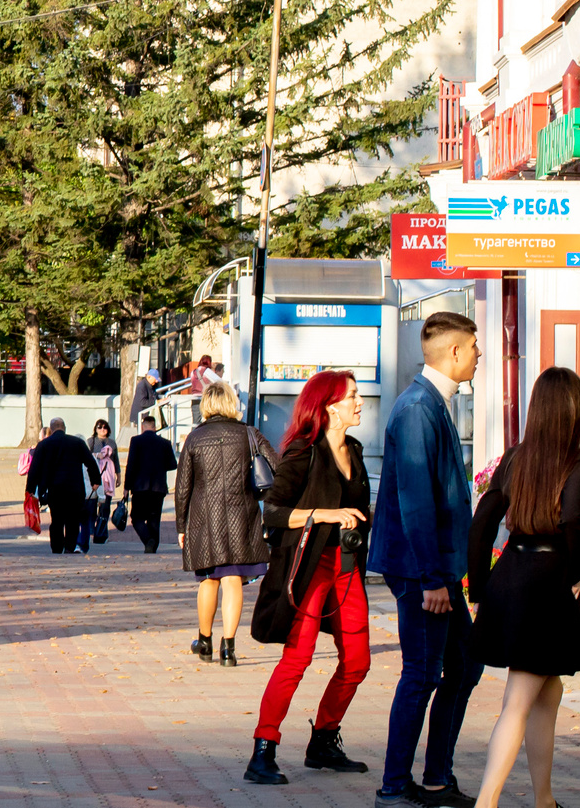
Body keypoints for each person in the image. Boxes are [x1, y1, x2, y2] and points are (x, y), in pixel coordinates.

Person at [369, 311, 485, 808]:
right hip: (424, 571)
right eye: (475, 347)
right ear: (454, 352)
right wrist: (434, 579)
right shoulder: (419, 407)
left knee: (463, 663)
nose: (480, 355)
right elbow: (416, 499)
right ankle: (395, 786)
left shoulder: (434, 402)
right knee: (422, 672)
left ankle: (436, 777)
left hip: (437, 569)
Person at [466, 368, 580, 808]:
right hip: (547, 581)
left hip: (511, 575)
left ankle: (545, 800)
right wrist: (576, 573)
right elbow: (571, 524)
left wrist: (481, 588)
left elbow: (482, 523)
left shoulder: (516, 456)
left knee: (548, 690)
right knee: (518, 700)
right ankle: (488, 802)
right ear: (574, 411)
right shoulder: (578, 461)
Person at [244, 370, 375, 785]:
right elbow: (273, 511)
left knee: (358, 661)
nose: (360, 402)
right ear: (329, 405)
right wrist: (323, 514)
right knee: (296, 659)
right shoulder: (304, 452)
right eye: (353, 396)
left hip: (348, 568)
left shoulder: (353, 449)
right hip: (307, 569)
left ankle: (323, 739)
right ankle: (263, 751)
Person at [176, 379, 271, 666]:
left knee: (209, 579)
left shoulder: (194, 438)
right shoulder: (249, 434)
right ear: (231, 403)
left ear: (206, 405)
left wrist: (181, 526)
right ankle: (228, 648)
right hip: (243, 516)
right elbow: (276, 466)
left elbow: (183, 488)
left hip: (205, 521)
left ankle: (204, 641)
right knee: (233, 580)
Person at [24, 417, 95, 554]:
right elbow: (90, 462)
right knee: (72, 520)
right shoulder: (77, 443)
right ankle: (70, 546)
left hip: (54, 489)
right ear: (64, 427)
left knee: (57, 519)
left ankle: (57, 547)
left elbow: (35, 468)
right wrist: (95, 480)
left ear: (51, 429)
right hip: (75, 489)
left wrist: (30, 489)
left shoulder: (44, 445)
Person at [125, 411, 178, 553]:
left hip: (140, 486)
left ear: (143, 427)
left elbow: (131, 465)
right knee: (154, 518)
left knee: (136, 518)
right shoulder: (165, 443)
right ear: (155, 427)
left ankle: (148, 539)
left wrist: (126, 487)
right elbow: (173, 464)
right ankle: (152, 547)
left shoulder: (136, 441)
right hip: (158, 486)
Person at [83, 420, 120, 550]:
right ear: (96, 428)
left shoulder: (112, 443)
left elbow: (116, 461)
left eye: (105, 427)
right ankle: (92, 531)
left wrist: (118, 476)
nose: (102, 429)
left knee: (105, 507)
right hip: (95, 478)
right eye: (100, 427)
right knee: (92, 507)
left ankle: (102, 532)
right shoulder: (91, 442)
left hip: (108, 478)